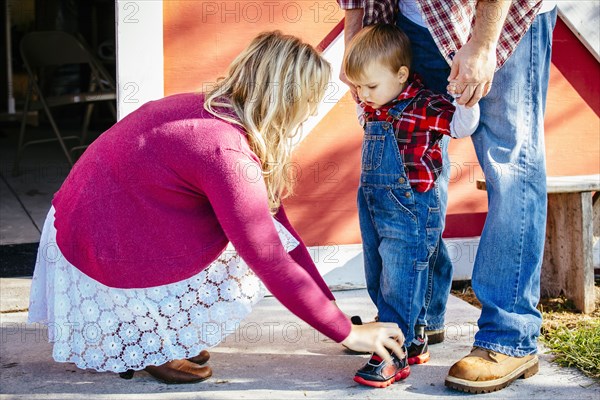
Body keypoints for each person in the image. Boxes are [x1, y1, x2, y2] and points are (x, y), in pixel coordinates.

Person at [27, 31, 406, 384]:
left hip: (85, 227)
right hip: (100, 248)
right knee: (244, 253)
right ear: (290, 101)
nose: (308, 113)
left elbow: (282, 232)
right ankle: (153, 342)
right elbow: (270, 256)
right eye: (310, 100)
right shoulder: (225, 151)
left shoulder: (210, 111)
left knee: (247, 230)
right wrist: (347, 332)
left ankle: (163, 330)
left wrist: (336, 320)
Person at [338, 0, 558, 394]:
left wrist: (483, 40)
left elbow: (461, 120)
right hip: (417, 16)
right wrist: (355, 28)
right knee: (419, 154)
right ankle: (417, 323)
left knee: (511, 166)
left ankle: (508, 336)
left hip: (498, 17)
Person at [342, 23, 479, 388]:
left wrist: (468, 99)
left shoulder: (425, 105)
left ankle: (395, 346)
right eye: (358, 86)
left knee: (404, 271)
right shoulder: (375, 105)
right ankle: (409, 334)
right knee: (381, 268)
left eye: (370, 86)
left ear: (401, 75)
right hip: (373, 202)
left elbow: (461, 126)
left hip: (412, 205)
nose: (363, 94)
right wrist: (365, 96)